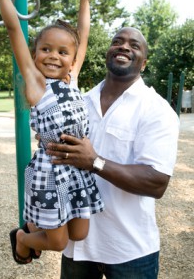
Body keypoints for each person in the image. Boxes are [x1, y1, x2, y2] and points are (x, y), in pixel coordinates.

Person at [46, 26, 180, 277]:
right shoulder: (80, 101)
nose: (124, 46)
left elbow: (156, 183)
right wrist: (51, 142)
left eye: (134, 45)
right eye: (117, 41)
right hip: (78, 245)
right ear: (108, 53)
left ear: (143, 64)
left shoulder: (157, 111)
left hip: (130, 250)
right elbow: (63, 157)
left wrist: (94, 161)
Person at [0, 0, 104, 265]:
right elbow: (13, 28)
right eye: (46, 49)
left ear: (72, 60)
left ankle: (36, 226)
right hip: (51, 172)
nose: (54, 56)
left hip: (77, 170)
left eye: (63, 52)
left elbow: (84, 32)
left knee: (79, 233)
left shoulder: (73, 79)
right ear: (35, 54)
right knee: (59, 241)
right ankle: (23, 238)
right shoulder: (36, 85)